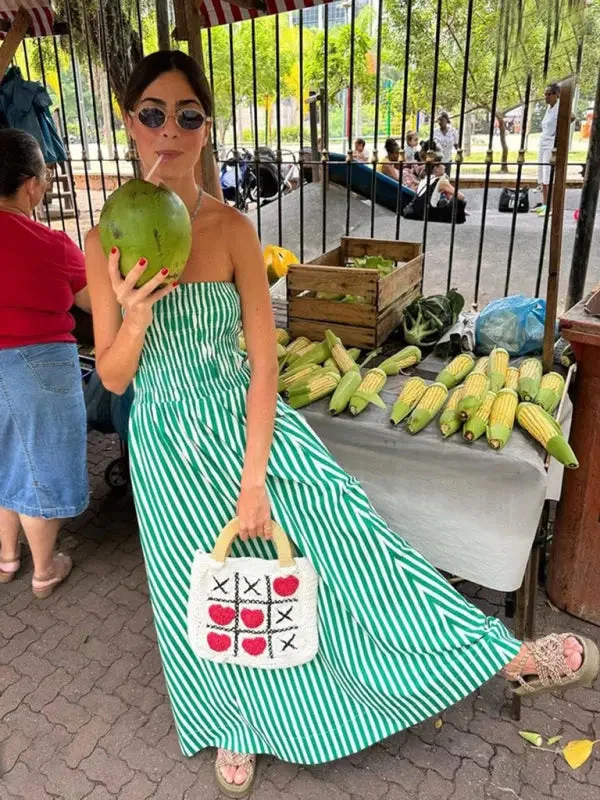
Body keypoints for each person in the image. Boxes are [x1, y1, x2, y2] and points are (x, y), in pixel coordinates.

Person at [85, 50, 597, 799]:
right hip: (165, 445)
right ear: (130, 123)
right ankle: (233, 720)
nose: (170, 130)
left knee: (355, 546)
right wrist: (133, 315)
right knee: (207, 585)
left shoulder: (230, 230)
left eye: (187, 115)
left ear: (205, 127)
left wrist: (254, 477)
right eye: (153, 114)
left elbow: (264, 365)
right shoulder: (105, 240)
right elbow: (114, 375)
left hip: (249, 429)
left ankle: (492, 654)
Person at [0, 128, 90, 598]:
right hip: (39, 364)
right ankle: (43, 569)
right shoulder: (52, 244)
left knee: (4, 463)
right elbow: (96, 303)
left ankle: (7, 557)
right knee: (41, 468)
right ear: (32, 185)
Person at [406, 154, 467, 223]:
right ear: (436, 168)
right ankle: (457, 221)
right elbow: (461, 196)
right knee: (460, 202)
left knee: (443, 201)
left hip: (417, 212)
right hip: (428, 214)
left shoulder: (425, 179)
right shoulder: (441, 181)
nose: (444, 167)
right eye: (442, 165)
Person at [534, 82, 560, 216]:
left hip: (551, 143)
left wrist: (560, 133)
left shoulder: (560, 107)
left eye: (549, 94)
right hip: (543, 143)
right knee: (542, 175)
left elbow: (572, 117)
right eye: (545, 95)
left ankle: (551, 206)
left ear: (556, 94)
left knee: (549, 175)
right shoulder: (549, 109)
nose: (546, 97)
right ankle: (544, 204)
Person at [433, 112, 458, 177]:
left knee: (446, 179)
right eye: (439, 120)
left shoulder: (453, 131)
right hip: (437, 161)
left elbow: (456, 145)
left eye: (442, 120)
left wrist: (459, 155)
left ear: (447, 120)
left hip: (448, 160)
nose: (440, 122)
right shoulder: (435, 132)